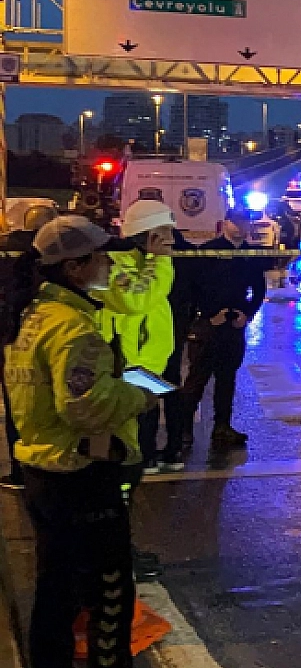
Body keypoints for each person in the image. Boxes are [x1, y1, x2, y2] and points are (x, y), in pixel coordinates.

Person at [3, 215, 199, 668]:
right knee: (109, 611)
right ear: (73, 266)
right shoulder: (73, 329)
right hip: (82, 482)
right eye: (98, 257)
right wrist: (136, 397)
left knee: (55, 605)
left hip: (45, 476)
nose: (107, 264)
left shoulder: (33, 317)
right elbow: (84, 406)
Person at [101, 201, 182, 474]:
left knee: (145, 418)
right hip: (128, 361)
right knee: (128, 425)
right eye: (165, 231)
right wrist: (160, 260)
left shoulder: (142, 260)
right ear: (148, 233)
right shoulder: (113, 263)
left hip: (148, 359)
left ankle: (141, 460)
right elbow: (136, 300)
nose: (171, 238)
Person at [180, 215, 267, 451]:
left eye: (244, 223)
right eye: (235, 223)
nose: (240, 227)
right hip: (208, 326)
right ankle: (183, 429)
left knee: (227, 380)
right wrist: (208, 316)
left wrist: (246, 314)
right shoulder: (208, 251)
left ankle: (222, 428)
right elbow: (194, 288)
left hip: (233, 325)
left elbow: (259, 289)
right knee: (197, 379)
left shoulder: (250, 254)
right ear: (225, 223)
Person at [3, 202, 58, 492]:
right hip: (48, 332)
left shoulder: (9, 249)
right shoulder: (53, 253)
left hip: (12, 337)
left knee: (17, 403)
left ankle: (19, 468)